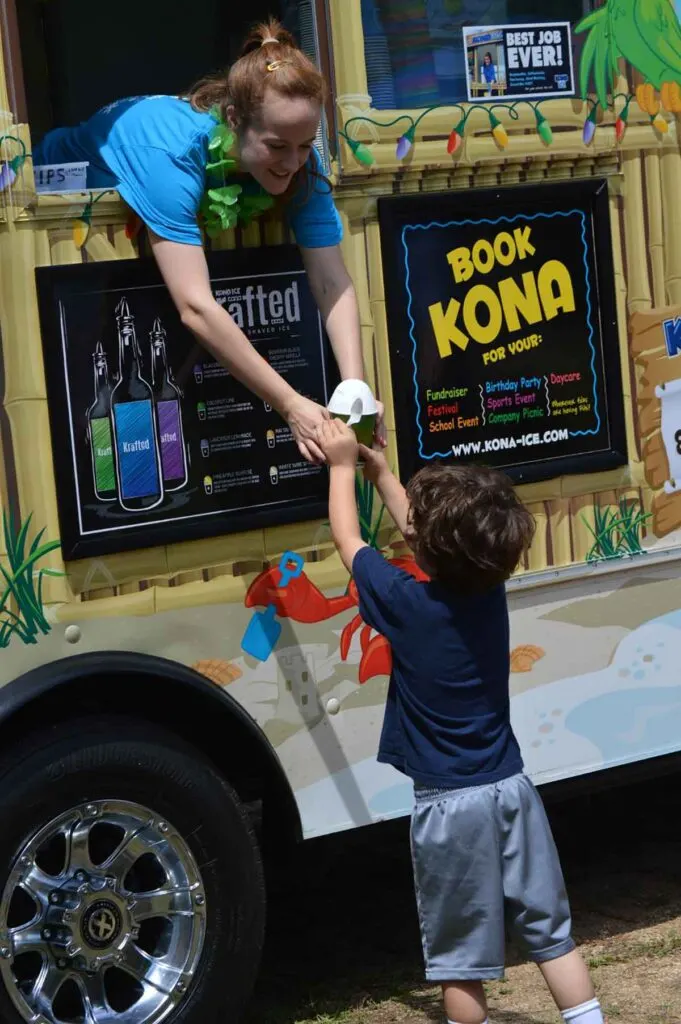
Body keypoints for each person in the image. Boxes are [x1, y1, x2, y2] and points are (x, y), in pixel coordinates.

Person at [315, 417, 605, 1024]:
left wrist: (343, 465)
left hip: (451, 808)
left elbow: (349, 540)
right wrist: (384, 473)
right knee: (552, 934)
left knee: (462, 964)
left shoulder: (405, 603)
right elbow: (423, 536)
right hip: (512, 789)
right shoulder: (488, 589)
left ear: (428, 549)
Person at [34, 19, 383, 465]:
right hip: (63, 215)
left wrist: (356, 394)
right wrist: (292, 406)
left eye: (304, 145)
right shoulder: (171, 157)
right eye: (277, 146)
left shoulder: (301, 158)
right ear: (234, 119)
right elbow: (196, 307)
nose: (294, 161)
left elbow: (332, 281)